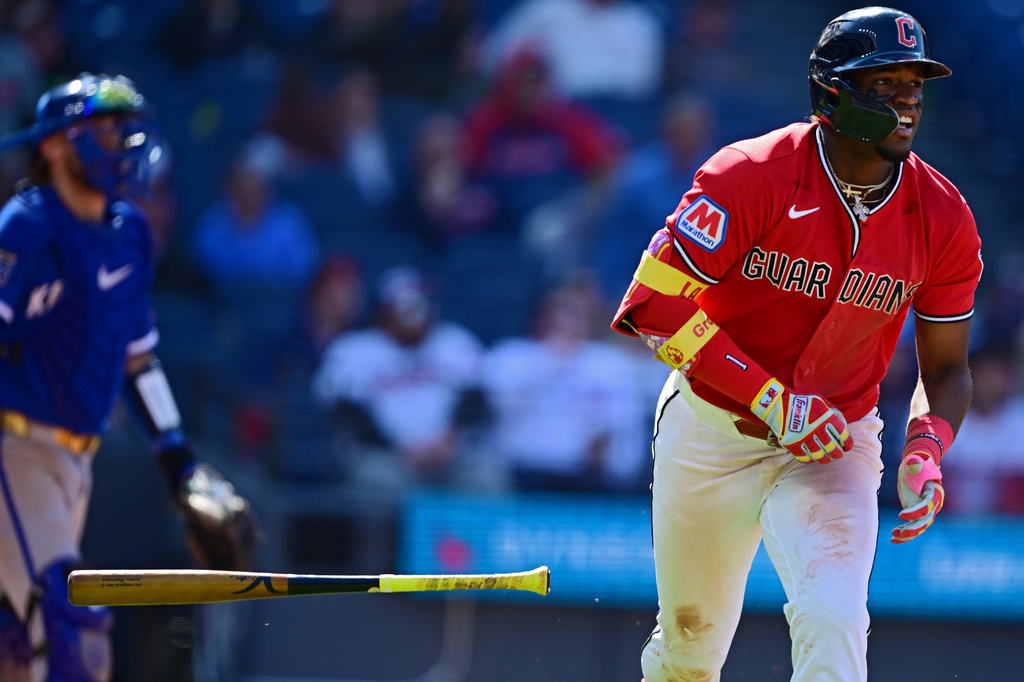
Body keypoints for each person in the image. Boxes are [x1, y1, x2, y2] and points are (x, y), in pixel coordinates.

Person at [609, 9, 983, 682]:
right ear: (831, 92)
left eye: (915, 86)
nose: (907, 102)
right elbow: (652, 307)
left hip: (835, 445)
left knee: (834, 618)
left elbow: (949, 367)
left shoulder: (945, 215)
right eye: (885, 83)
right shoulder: (750, 173)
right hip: (713, 430)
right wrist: (771, 401)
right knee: (689, 652)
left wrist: (927, 448)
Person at [0, 73, 258, 681]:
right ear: (55, 146)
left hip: (76, 468)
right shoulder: (27, 228)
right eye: (104, 129)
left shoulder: (130, 233)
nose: (122, 143)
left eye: (126, 129)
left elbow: (138, 359)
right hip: (16, 450)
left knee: (16, 649)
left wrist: (181, 466)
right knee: (71, 630)